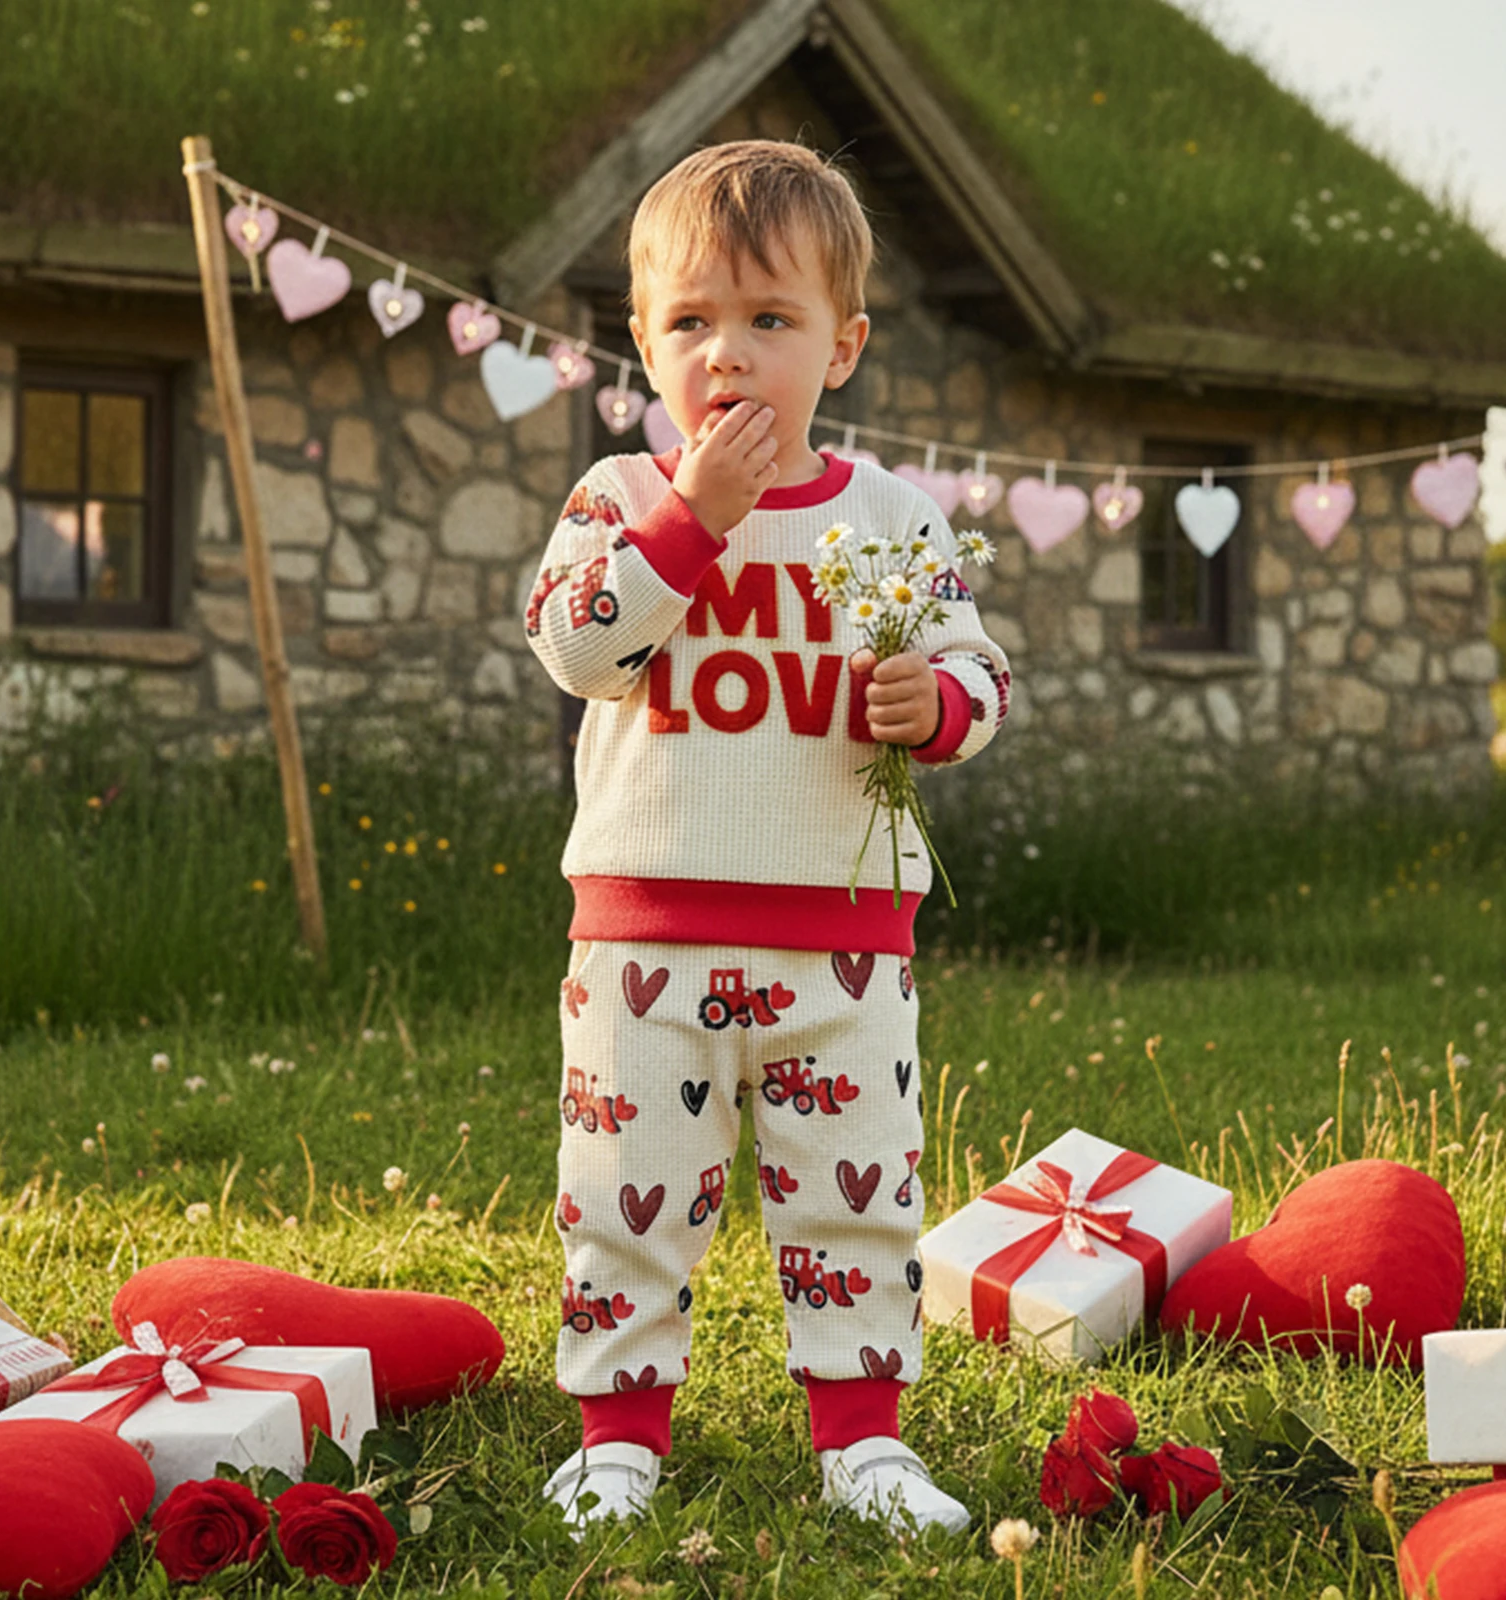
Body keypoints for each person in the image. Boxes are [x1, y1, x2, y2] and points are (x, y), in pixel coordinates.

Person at [523, 140, 1011, 1539]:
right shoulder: (618, 501)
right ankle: (617, 1438)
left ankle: (863, 1442)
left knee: (858, 1198)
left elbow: (983, 673)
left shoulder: (891, 517)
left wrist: (939, 705)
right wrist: (694, 520)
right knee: (626, 1196)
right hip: (644, 936)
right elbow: (576, 645)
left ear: (842, 348)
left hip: (842, 943)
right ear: (641, 343)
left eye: (769, 320)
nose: (726, 353)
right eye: (691, 321)